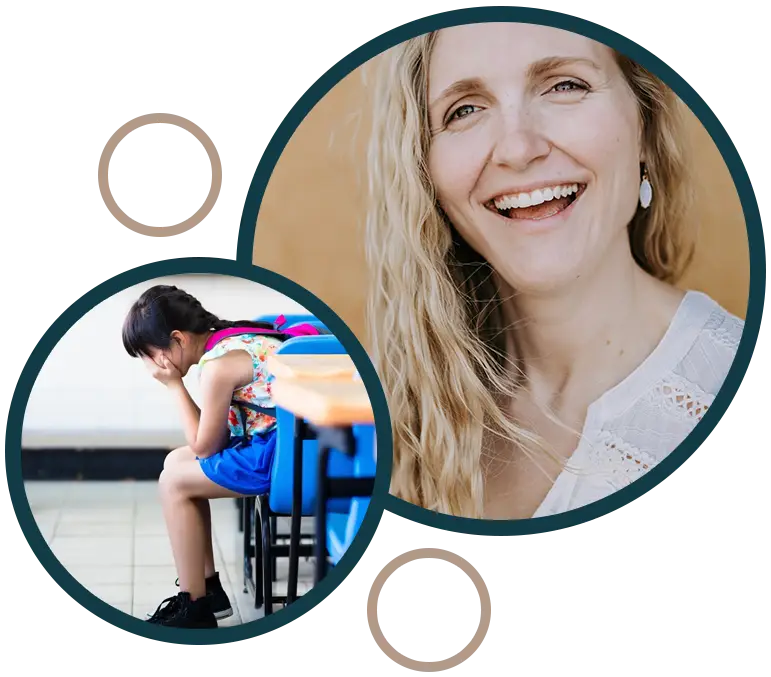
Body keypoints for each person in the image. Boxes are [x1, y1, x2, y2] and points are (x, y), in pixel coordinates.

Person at [364, 23, 745, 520]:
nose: (518, 149)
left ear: (644, 130)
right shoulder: (392, 415)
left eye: (565, 85)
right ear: (425, 173)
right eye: (466, 110)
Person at [122, 284, 315, 627]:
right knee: (174, 463)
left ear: (177, 339)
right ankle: (209, 589)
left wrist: (173, 386)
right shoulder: (231, 338)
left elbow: (206, 446)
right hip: (296, 443)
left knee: (173, 483)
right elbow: (214, 438)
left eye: (148, 354)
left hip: (279, 455)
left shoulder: (218, 366)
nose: (148, 365)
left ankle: (193, 607)